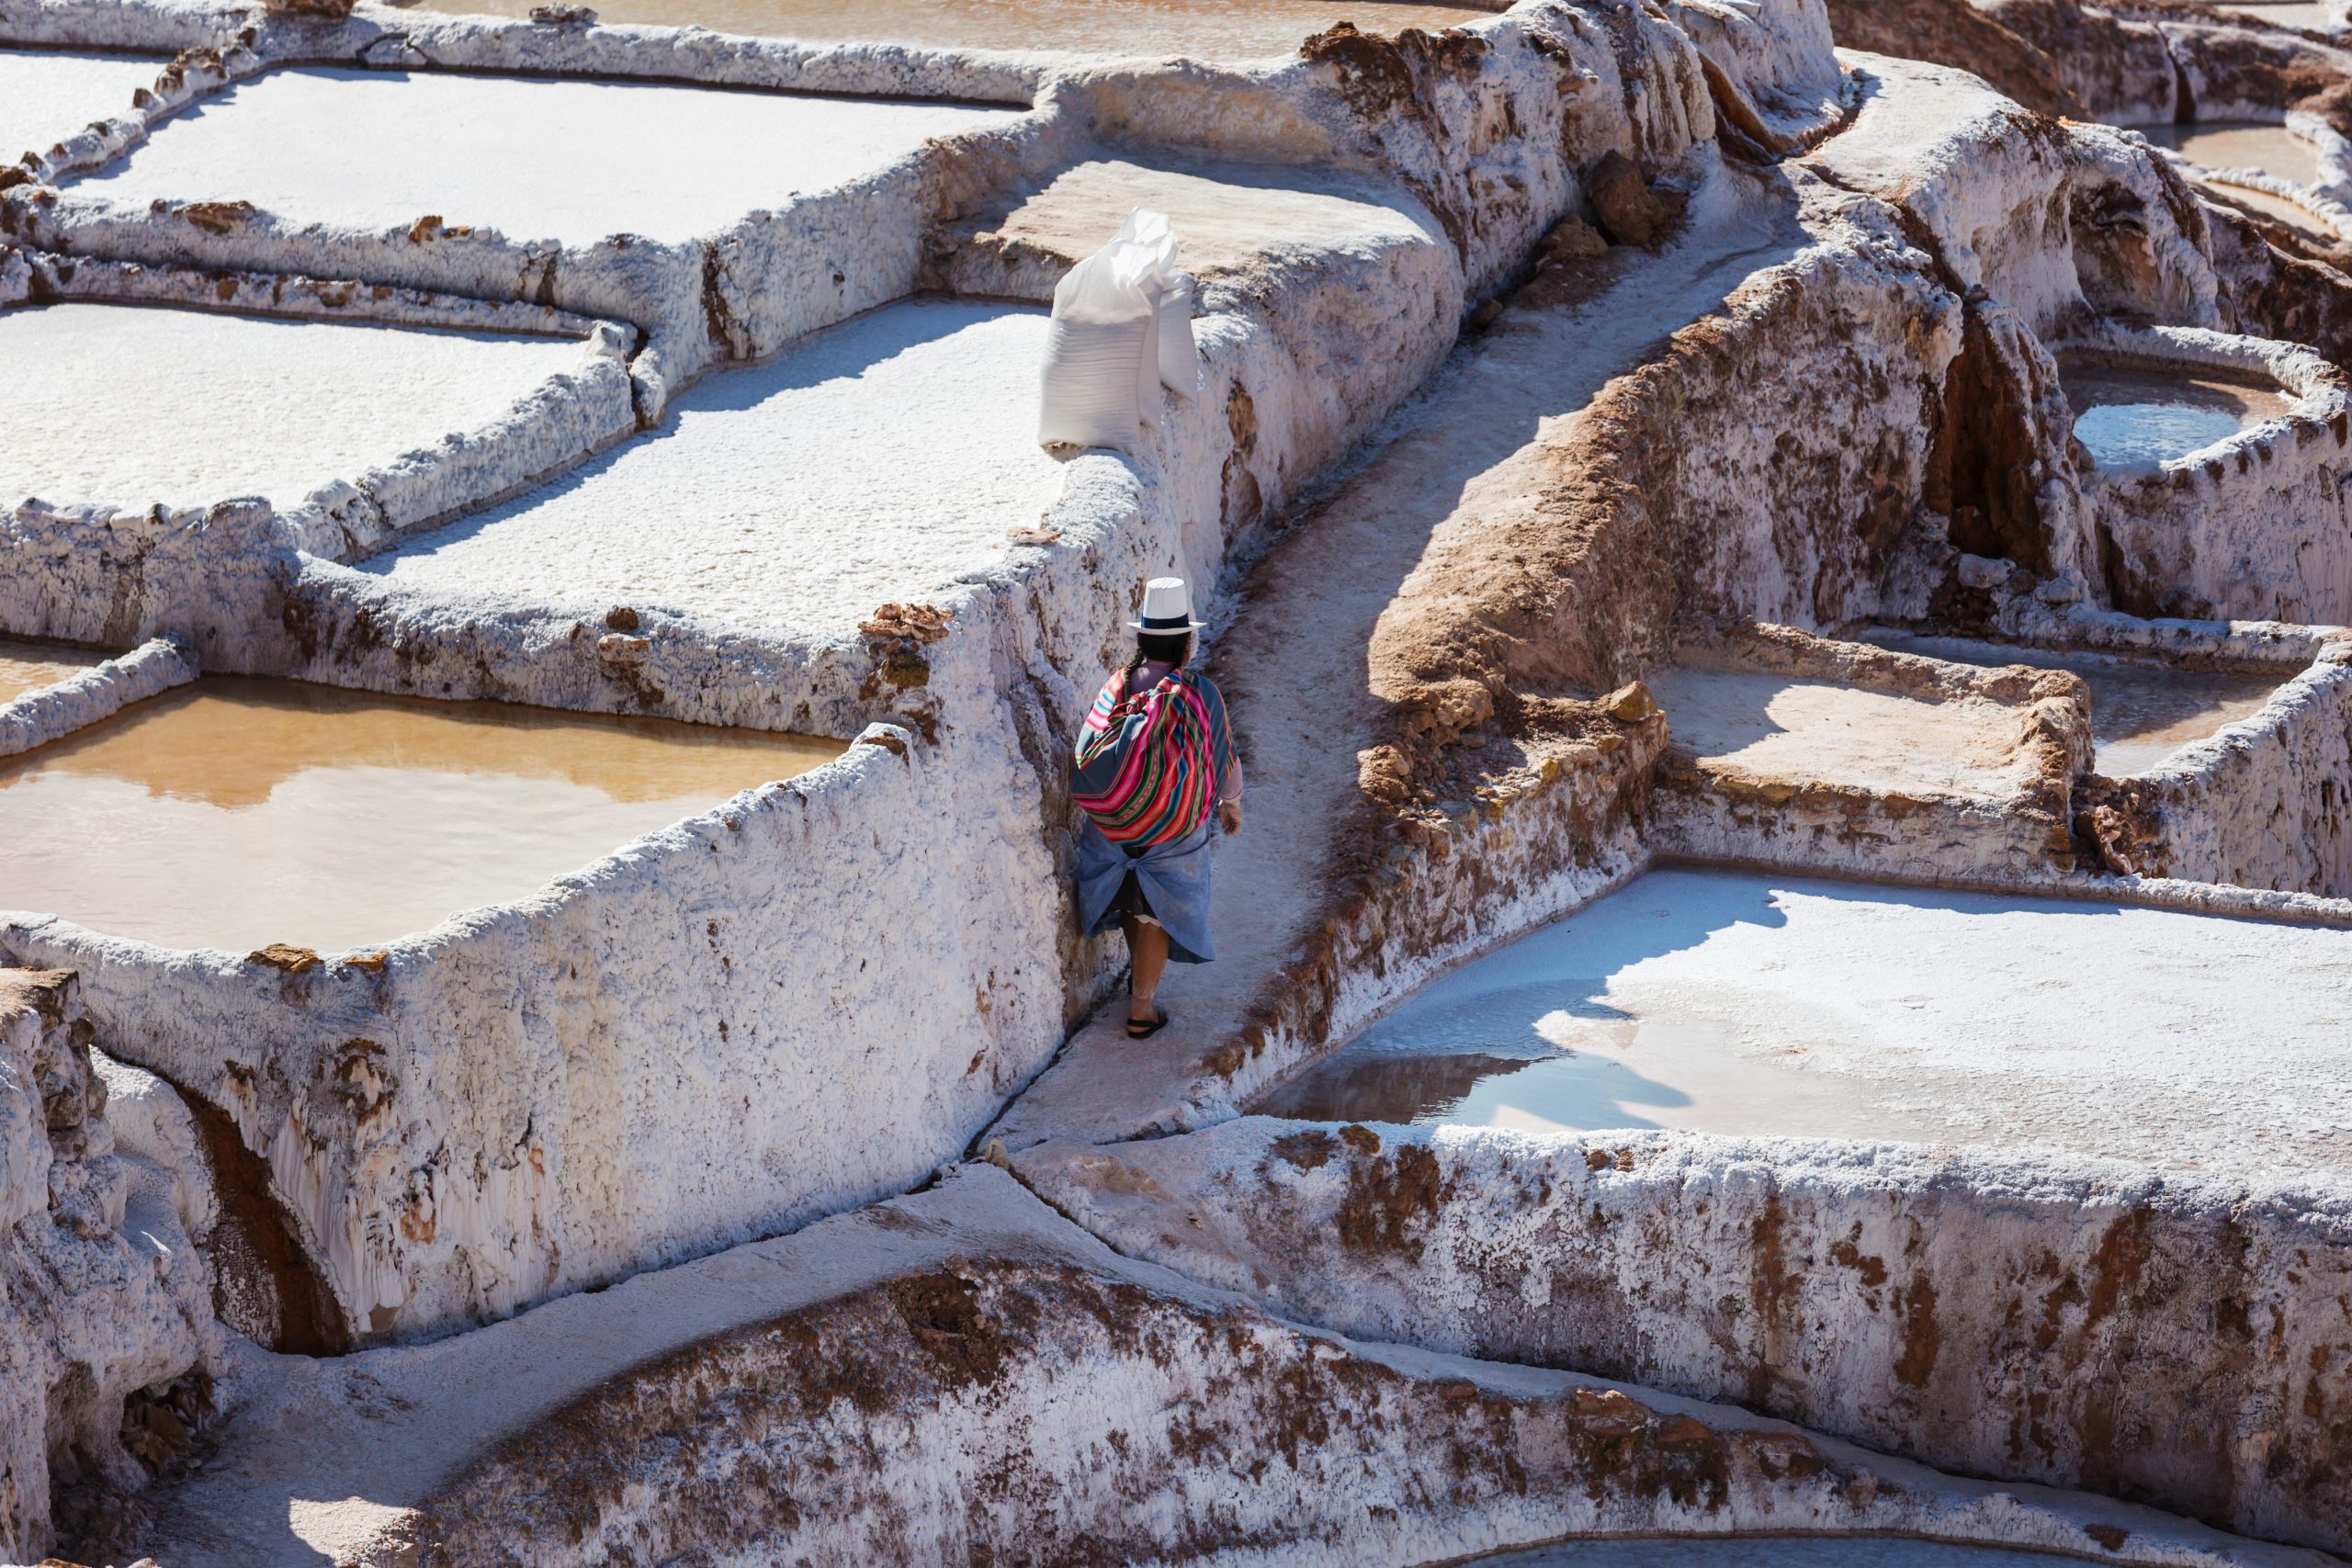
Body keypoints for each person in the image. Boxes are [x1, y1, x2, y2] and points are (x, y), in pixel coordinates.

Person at [1070, 577, 1243, 1039]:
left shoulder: (1118, 684)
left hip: (1111, 826)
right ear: (1187, 641)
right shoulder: (1199, 691)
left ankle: (1138, 988)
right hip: (1171, 831)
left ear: (1142, 637)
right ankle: (1141, 1009)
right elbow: (1223, 754)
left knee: (1134, 897)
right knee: (1156, 909)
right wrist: (1230, 803)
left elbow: (1090, 745)